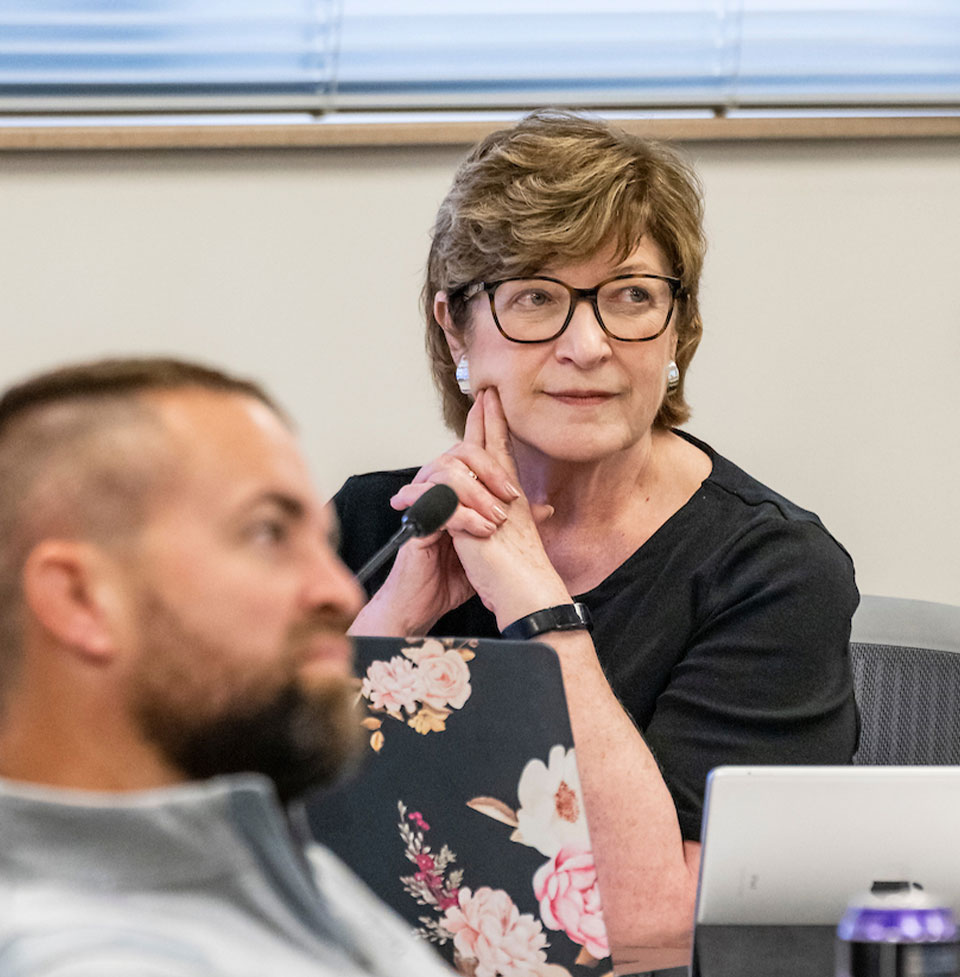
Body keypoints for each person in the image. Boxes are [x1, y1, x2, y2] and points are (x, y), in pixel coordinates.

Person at [335, 111, 859, 960]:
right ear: (454, 325)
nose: (589, 345)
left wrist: (538, 607)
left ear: (678, 330)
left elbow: (651, 923)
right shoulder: (374, 525)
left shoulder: (773, 573)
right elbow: (245, 843)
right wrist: (391, 618)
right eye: (536, 297)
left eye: (631, 298)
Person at [0, 357, 453, 977]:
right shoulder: (79, 956)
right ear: (79, 598)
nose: (341, 594)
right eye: (268, 533)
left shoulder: (264, 860)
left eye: (320, 541)